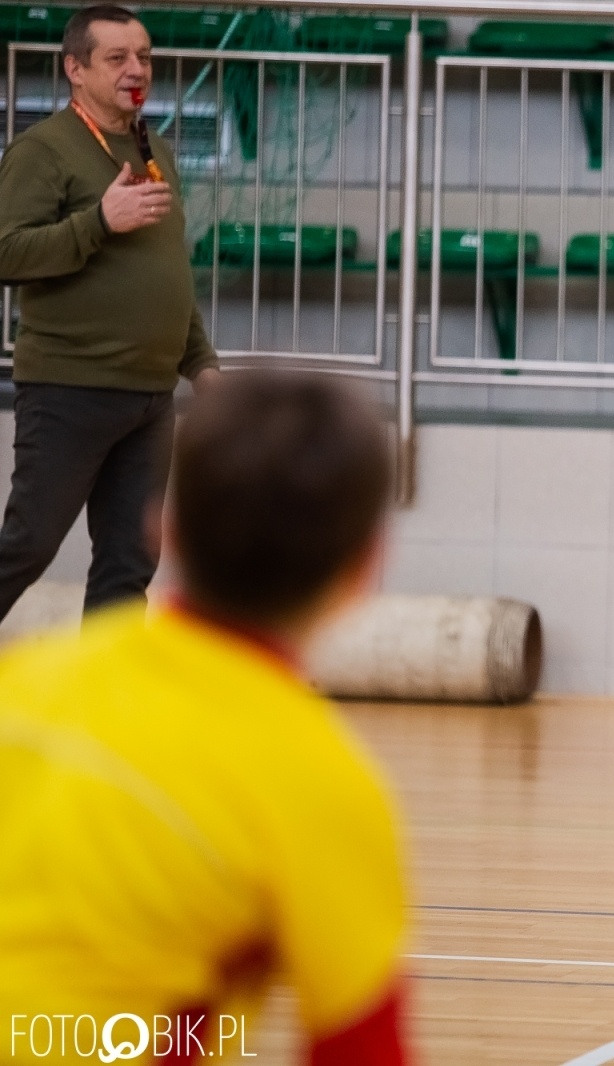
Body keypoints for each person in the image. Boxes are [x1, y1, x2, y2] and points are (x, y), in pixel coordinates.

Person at [0, 372, 409, 1064]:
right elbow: (362, 1050)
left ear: (168, 530)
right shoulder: (323, 782)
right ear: (366, 567)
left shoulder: (24, 679)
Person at [0, 4, 220, 625]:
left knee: (129, 564)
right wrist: (98, 221)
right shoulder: (42, 151)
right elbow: (6, 251)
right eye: (117, 57)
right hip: (71, 388)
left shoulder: (158, 150)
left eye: (144, 56)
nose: (136, 69)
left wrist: (201, 365)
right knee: (27, 546)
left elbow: (166, 270)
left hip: (151, 400)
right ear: (75, 68)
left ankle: (108, 712)